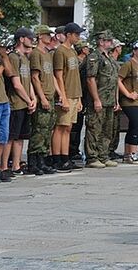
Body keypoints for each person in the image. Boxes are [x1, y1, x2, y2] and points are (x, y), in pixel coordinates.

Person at [51, 22, 83, 173]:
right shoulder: (60, 51)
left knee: (68, 127)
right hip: (66, 93)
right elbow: (58, 75)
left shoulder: (73, 52)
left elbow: (75, 75)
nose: (78, 37)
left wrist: (79, 98)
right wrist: (62, 96)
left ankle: (66, 156)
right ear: (68, 34)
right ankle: (57, 158)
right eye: (76, 34)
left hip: (74, 93)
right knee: (60, 126)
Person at [85, 31, 120, 169]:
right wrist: (96, 99)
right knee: (94, 128)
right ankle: (92, 157)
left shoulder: (109, 58)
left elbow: (115, 80)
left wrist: (116, 100)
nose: (111, 43)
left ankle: (103, 155)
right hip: (99, 98)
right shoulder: (94, 57)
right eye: (108, 41)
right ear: (101, 42)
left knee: (107, 130)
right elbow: (90, 79)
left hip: (109, 100)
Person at [6, 28, 36, 176]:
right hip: (15, 103)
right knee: (11, 136)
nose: (32, 41)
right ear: (22, 39)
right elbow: (16, 84)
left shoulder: (25, 57)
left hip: (25, 102)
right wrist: (28, 99)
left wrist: (33, 98)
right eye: (30, 38)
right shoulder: (13, 57)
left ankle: (16, 166)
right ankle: (4, 166)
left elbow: (28, 80)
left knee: (21, 137)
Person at [28, 24, 57, 174]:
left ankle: (43, 159)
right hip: (43, 96)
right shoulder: (36, 54)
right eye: (47, 35)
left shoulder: (47, 54)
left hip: (50, 95)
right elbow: (34, 77)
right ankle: (34, 161)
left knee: (47, 130)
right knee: (39, 129)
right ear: (40, 36)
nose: (50, 38)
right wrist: (42, 98)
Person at [117, 42, 138, 164]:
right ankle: (132, 153)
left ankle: (128, 154)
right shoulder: (129, 64)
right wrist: (127, 93)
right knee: (137, 125)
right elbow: (118, 80)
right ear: (134, 51)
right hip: (130, 101)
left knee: (134, 127)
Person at [0, 42, 18, 183]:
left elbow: (10, 73)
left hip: (3, 100)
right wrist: (2, 65)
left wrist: (4, 56)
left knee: (2, 137)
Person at [69, 40, 91, 168]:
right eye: (86, 48)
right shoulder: (78, 62)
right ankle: (71, 149)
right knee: (74, 126)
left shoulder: (84, 61)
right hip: (78, 94)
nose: (88, 50)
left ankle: (74, 149)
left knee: (78, 125)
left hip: (82, 96)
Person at [107, 40, 124, 160]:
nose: (121, 49)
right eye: (119, 47)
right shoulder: (110, 61)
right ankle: (107, 150)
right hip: (109, 97)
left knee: (115, 126)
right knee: (108, 126)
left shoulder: (116, 63)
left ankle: (112, 149)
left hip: (115, 97)